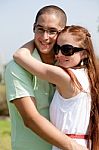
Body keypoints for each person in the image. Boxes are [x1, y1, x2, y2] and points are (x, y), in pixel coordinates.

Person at [5, 5, 87, 150]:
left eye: (52, 31)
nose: (44, 37)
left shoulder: (66, 65)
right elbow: (31, 119)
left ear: (62, 32)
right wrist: (74, 147)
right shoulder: (15, 68)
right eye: (40, 29)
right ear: (33, 28)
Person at [13, 25, 99, 150]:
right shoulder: (89, 77)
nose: (59, 54)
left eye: (67, 50)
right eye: (57, 48)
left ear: (84, 53)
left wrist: (39, 39)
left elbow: (19, 55)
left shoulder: (66, 77)